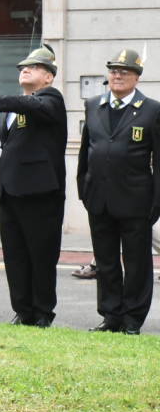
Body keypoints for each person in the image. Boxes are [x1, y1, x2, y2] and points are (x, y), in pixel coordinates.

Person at [0, 45, 66, 328]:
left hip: (40, 193)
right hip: (12, 192)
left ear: (49, 76)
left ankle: (42, 312)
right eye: (22, 67)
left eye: (34, 67)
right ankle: (22, 310)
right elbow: (12, 140)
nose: (24, 70)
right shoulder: (16, 108)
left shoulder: (50, 99)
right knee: (15, 256)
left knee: (41, 255)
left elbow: (36, 107)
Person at [76, 49, 160, 335]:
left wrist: (157, 200)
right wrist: (83, 189)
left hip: (136, 200)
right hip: (99, 198)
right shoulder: (94, 104)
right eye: (113, 70)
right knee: (106, 261)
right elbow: (87, 152)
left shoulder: (151, 109)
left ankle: (132, 318)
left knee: (137, 263)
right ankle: (110, 315)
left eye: (124, 71)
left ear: (137, 77)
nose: (118, 75)